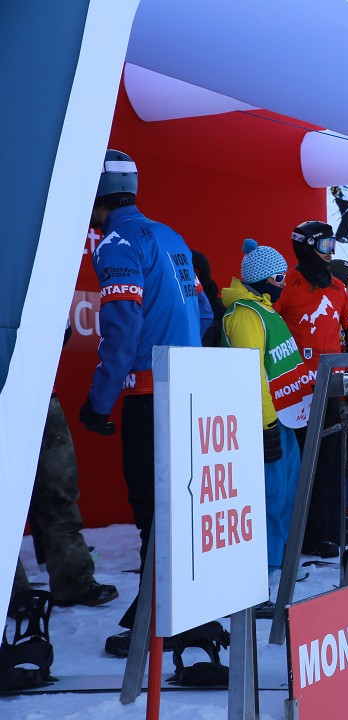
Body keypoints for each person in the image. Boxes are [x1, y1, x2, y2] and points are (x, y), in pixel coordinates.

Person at [79, 149, 214, 653]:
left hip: (146, 396)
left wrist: (99, 401)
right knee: (180, 505)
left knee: (151, 508)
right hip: (186, 392)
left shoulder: (116, 242)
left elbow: (121, 325)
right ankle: (167, 605)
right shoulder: (170, 235)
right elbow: (202, 313)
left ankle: (163, 616)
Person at [274, 220, 348, 558]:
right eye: (325, 246)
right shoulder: (289, 285)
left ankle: (326, 533)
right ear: (307, 246)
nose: (331, 253)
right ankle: (298, 534)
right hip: (294, 394)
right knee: (298, 467)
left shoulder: (339, 288)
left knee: (330, 463)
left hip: (330, 391)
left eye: (333, 246)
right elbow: (268, 328)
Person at [221, 239, 307, 584]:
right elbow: (252, 373)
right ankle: (267, 566)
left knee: (288, 491)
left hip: (286, 417)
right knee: (271, 494)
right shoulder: (245, 315)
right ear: (263, 278)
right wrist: (266, 423)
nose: (284, 282)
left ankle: (282, 557)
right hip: (267, 421)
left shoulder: (266, 309)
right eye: (279, 277)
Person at [11, 383, 118, 609]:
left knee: (60, 492)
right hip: (9, 393)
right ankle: (13, 592)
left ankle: (74, 581)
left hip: (41, 392)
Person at [191, 250, 226, 348]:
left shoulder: (220, 312)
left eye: (193, 272)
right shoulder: (169, 305)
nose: (189, 277)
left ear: (204, 273)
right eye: (184, 271)